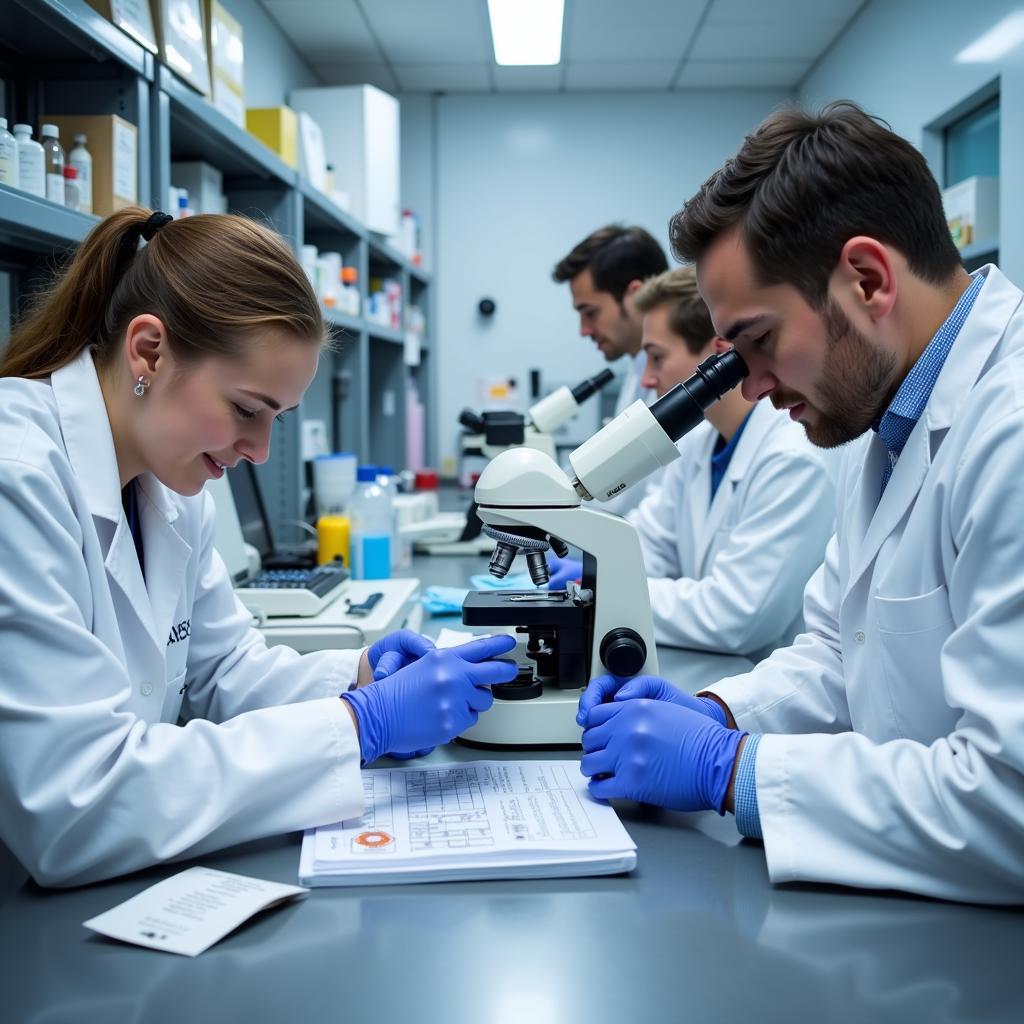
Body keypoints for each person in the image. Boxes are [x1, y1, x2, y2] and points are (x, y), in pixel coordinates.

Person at [578, 101, 1024, 904]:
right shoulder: (888, 418)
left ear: (867, 280)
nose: (746, 385)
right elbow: (836, 650)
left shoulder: (1011, 432)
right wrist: (715, 710)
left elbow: (1009, 800)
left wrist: (734, 771)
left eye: (757, 341)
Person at [0, 207, 517, 887]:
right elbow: (72, 802)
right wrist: (359, 726)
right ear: (148, 351)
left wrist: (360, 676)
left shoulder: (173, 489)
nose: (259, 450)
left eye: (277, 417)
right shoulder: (18, 475)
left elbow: (222, 675)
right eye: (247, 409)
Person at [549, 267, 834, 660]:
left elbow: (736, 616)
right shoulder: (699, 444)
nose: (646, 380)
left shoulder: (792, 458)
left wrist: (604, 589)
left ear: (718, 356)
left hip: (764, 690)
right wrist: (596, 571)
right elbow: (644, 546)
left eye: (656, 357)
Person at [552, 224, 668, 514]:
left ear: (636, 296)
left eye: (590, 312)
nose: (584, 330)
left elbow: (641, 500)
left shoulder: (670, 379)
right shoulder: (635, 374)